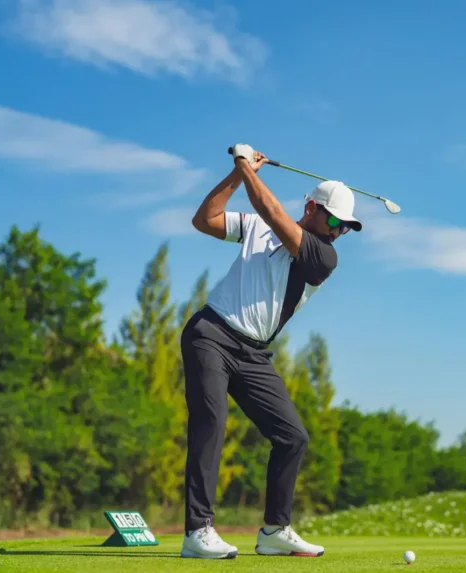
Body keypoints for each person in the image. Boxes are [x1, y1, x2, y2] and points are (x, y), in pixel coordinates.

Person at [178, 143, 362, 559]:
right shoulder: (257, 229)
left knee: (292, 437)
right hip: (210, 334)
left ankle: (275, 529)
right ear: (312, 207)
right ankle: (197, 531)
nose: (338, 231)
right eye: (335, 219)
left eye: (346, 226)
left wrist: (246, 167)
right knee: (211, 423)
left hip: (253, 355)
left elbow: (275, 215)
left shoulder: (323, 257)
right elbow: (203, 220)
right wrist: (236, 174)